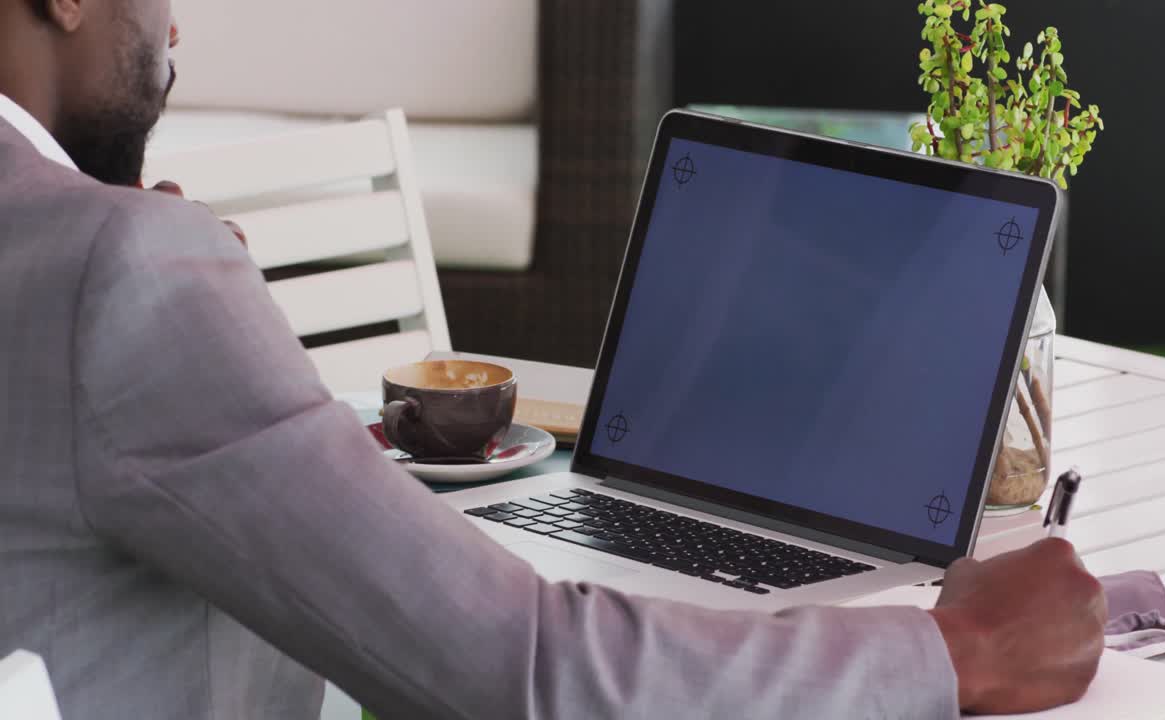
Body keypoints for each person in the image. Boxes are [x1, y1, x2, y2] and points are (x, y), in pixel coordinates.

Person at [0, 1, 1106, 718]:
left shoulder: (90, 258)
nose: (177, 31)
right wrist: (956, 649)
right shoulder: (119, 270)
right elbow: (524, 673)